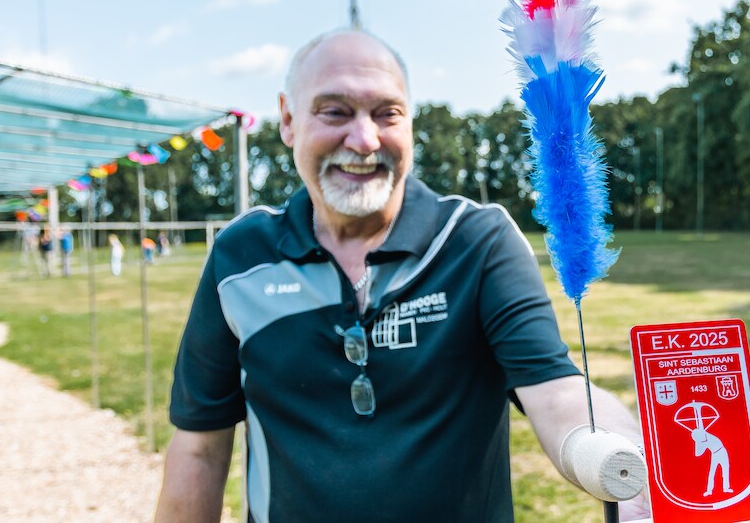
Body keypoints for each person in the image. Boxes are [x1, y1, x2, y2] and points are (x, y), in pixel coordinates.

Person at [155, 30, 648, 522]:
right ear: (288, 119)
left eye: (386, 113)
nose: (365, 139)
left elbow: (558, 394)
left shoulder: (477, 241)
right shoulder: (240, 256)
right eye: (335, 111)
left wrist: (631, 475)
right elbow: (199, 447)